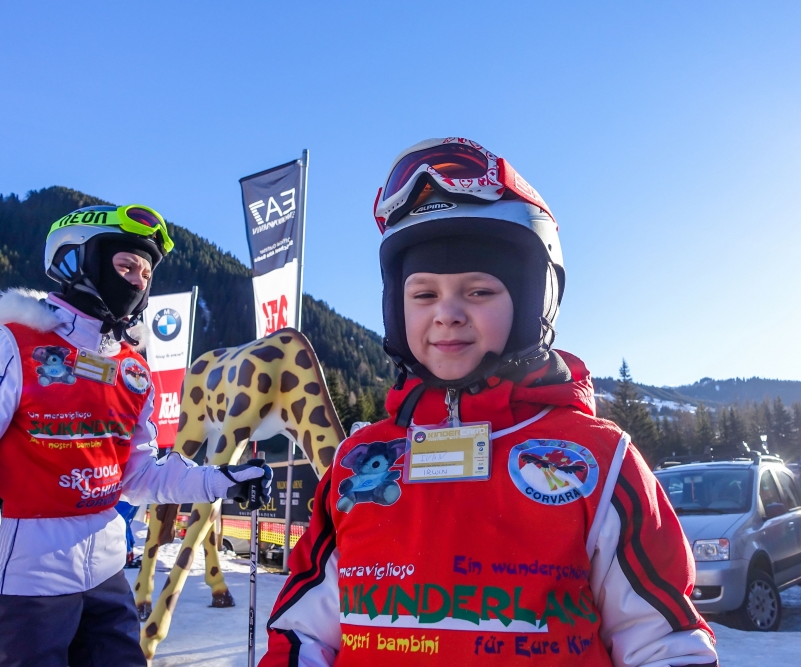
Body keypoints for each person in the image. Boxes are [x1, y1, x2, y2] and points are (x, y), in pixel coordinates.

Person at [260, 138, 718, 666]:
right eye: (424, 294)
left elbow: (662, 644)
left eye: (479, 291)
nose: (447, 314)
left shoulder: (598, 461)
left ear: (532, 302)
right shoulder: (357, 463)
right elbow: (303, 632)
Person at [0, 204, 273, 667]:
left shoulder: (132, 371)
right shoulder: (11, 345)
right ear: (77, 261)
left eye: (145, 274)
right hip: (18, 583)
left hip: (103, 577)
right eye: (125, 267)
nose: (137, 282)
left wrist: (222, 480)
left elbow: (139, 476)